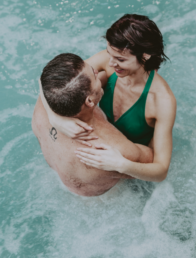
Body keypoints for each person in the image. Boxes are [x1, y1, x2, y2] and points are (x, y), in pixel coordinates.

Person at [40, 14, 176, 182]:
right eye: (109, 53)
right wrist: (56, 119)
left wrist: (120, 164)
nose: (111, 63)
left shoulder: (161, 101)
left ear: (146, 56)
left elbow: (161, 171)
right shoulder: (108, 61)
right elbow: (52, 81)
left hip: (133, 168)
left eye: (120, 59)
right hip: (105, 141)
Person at [32, 53, 154, 197]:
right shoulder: (110, 150)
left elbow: (42, 80)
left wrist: (54, 118)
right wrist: (157, 117)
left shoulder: (43, 107)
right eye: (94, 75)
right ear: (89, 102)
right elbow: (152, 161)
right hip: (112, 197)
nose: (97, 71)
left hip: (62, 179)